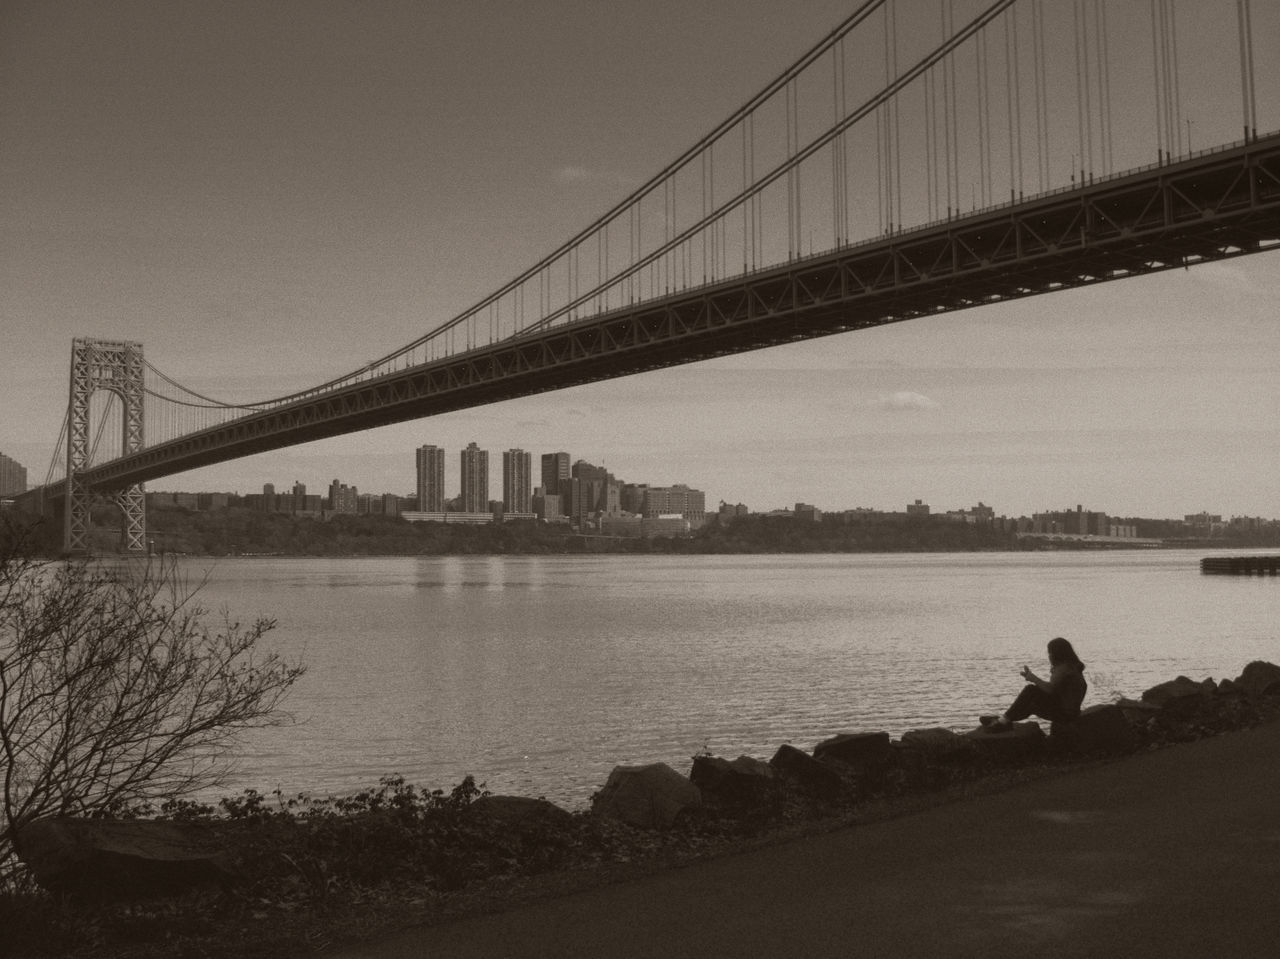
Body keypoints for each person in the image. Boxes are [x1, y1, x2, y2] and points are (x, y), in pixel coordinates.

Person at [981, 637, 1087, 729]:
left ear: (1056, 653)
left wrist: (1033, 678)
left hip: (1065, 716)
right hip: (1071, 713)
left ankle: (1002, 721)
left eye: (1049, 652)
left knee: (1031, 691)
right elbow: (1057, 691)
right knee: (1030, 702)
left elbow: (1051, 689)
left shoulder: (1064, 668)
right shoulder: (1073, 666)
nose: (1048, 655)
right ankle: (1003, 720)